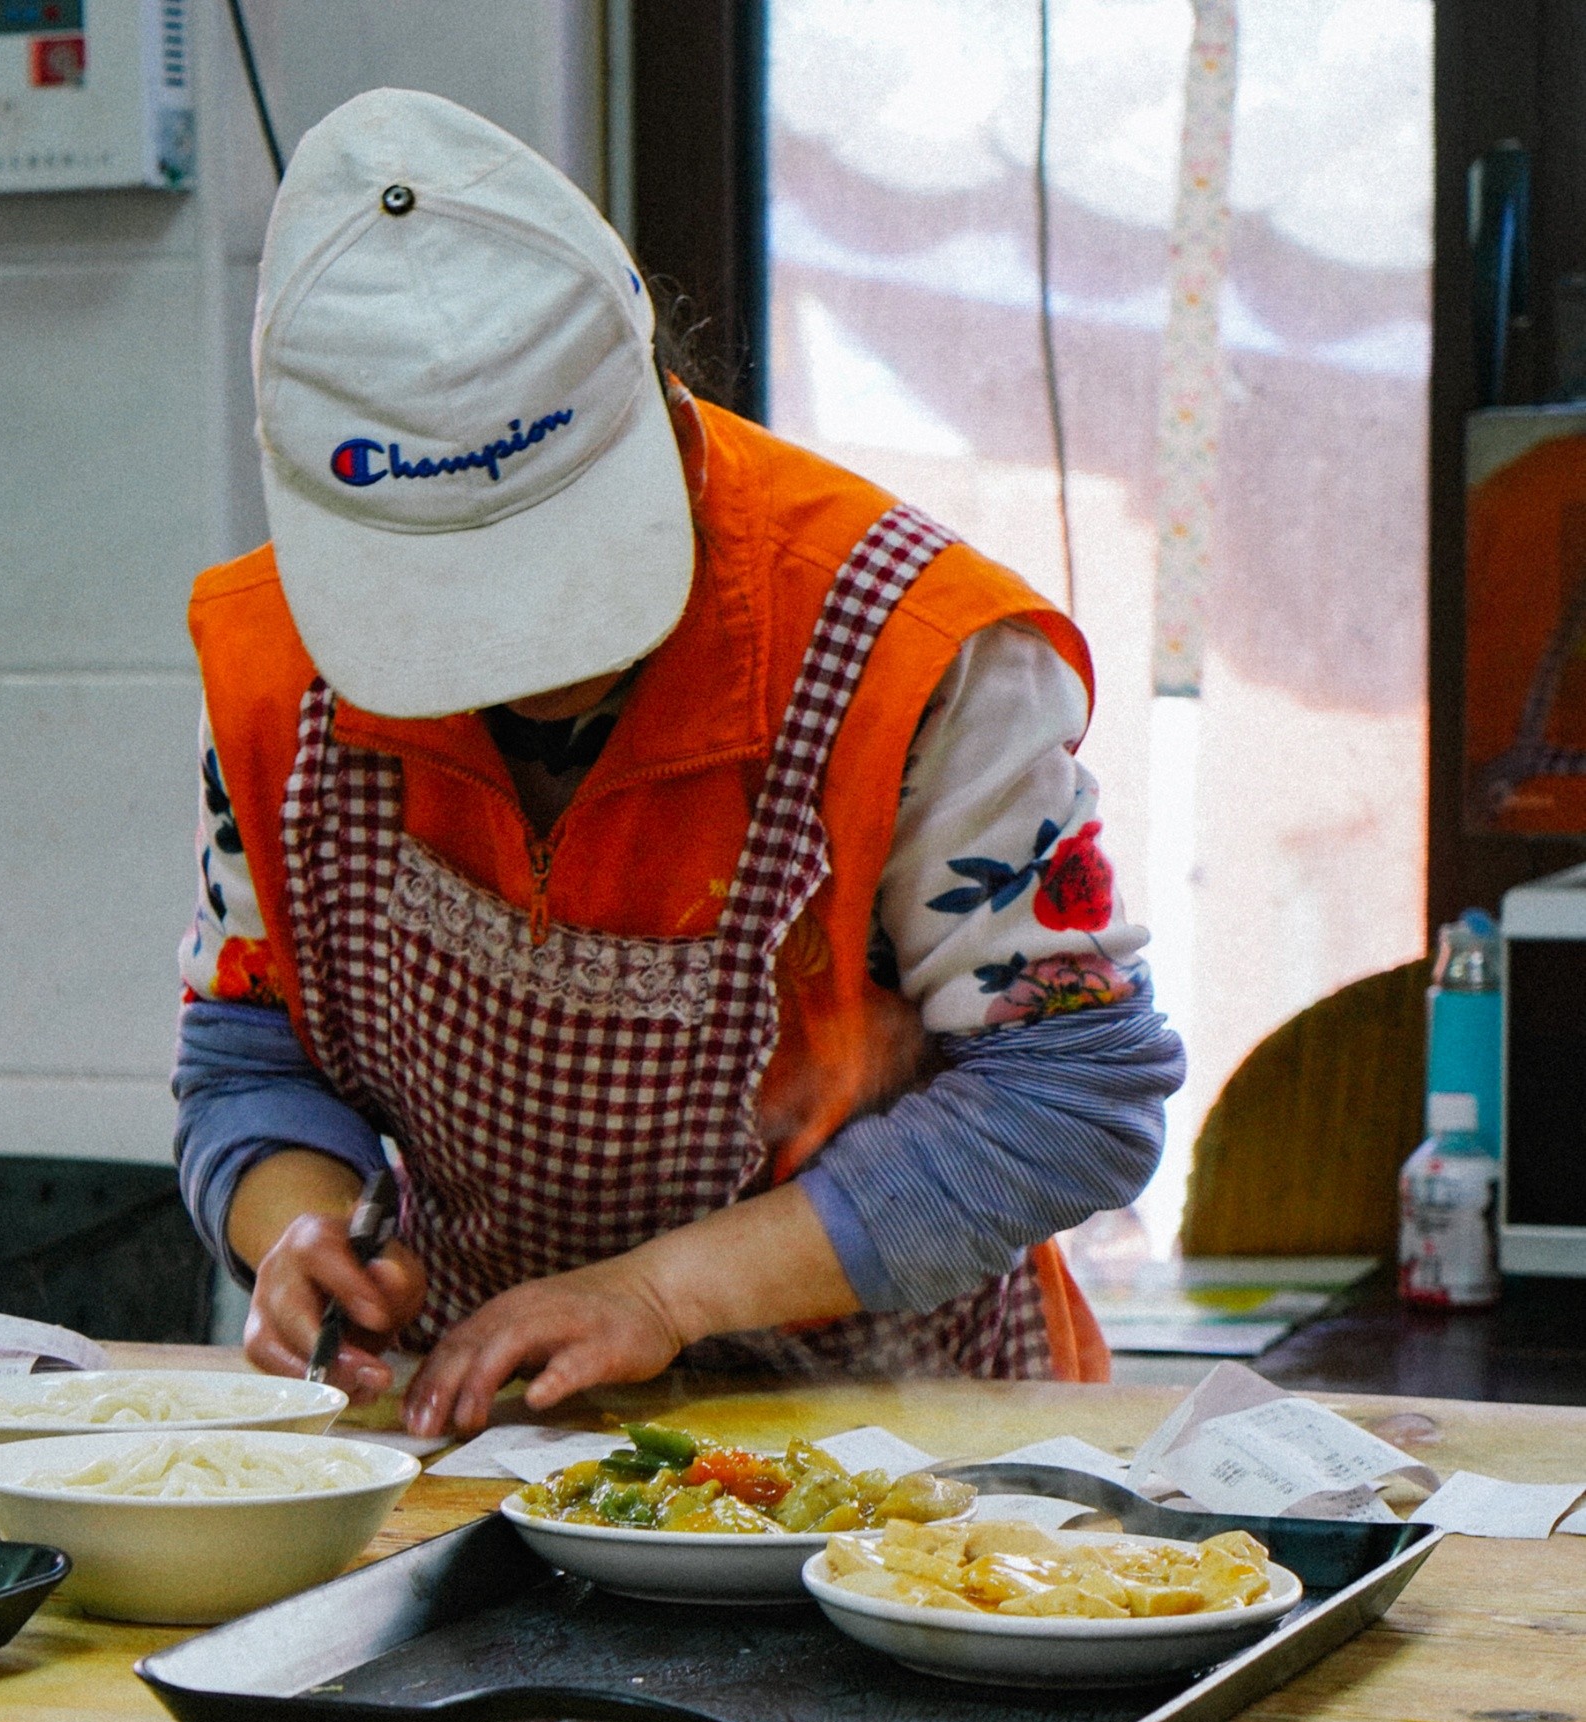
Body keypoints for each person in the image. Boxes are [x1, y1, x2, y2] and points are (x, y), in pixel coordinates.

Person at [172, 89, 1180, 1438]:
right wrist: (302, 1237)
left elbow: (1077, 1097)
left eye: (558, 586)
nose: (513, 662)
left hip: (902, 1456)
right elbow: (246, 1055)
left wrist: (662, 1295)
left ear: (660, 408)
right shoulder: (275, 664)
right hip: (498, 1450)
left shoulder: (910, 651)